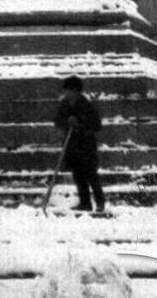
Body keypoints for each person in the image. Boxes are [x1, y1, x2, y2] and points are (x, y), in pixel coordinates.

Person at [54, 75, 105, 212]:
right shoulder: (64, 104)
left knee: (91, 175)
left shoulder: (86, 105)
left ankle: (100, 203)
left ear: (76, 91)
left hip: (86, 146)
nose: (67, 93)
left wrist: (79, 124)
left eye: (70, 90)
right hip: (72, 146)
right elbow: (58, 121)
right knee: (78, 176)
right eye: (66, 90)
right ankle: (85, 203)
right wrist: (66, 122)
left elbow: (96, 125)